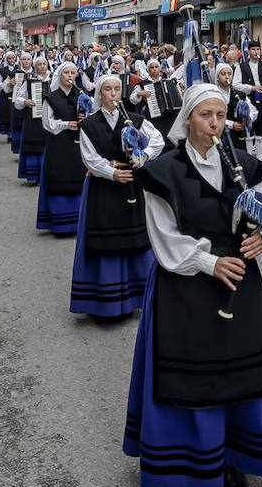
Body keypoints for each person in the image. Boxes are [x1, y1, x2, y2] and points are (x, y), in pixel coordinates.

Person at [125, 83, 262, 487]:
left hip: (241, 280)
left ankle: (232, 457)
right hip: (187, 286)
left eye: (220, 116)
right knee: (193, 381)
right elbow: (164, 238)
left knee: (239, 374)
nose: (214, 124)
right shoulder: (164, 170)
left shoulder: (243, 165)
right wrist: (210, 263)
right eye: (205, 116)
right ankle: (192, 468)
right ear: (188, 120)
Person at [71, 73, 164, 319]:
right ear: (100, 94)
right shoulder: (89, 124)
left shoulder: (133, 120)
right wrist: (112, 173)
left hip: (131, 184)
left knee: (136, 239)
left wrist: (143, 156)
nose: (113, 94)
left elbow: (158, 140)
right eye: (108, 90)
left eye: (117, 89)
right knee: (105, 239)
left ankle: (139, 295)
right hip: (104, 186)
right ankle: (105, 301)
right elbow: (89, 157)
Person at [38, 62, 88, 236]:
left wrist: (85, 119)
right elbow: (47, 123)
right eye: (66, 72)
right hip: (58, 143)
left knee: (78, 177)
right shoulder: (51, 97)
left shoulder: (82, 96)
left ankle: (79, 222)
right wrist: (67, 125)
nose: (69, 76)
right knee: (60, 176)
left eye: (73, 73)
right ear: (60, 76)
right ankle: (61, 224)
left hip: (78, 143)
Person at [232, 40, 262, 161]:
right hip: (249, 102)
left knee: (261, 134)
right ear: (248, 51)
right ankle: (250, 160)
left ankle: (259, 161)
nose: (256, 52)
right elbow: (235, 84)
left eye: (258, 49)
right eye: (253, 50)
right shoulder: (242, 66)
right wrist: (251, 88)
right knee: (249, 133)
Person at [15, 56, 52, 185]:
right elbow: (18, 99)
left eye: (44, 64)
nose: (42, 66)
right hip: (34, 117)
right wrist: (25, 101)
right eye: (39, 64)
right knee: (35, 145)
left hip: (51, 118)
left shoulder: (54, 80)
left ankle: (49, 174)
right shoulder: (30, 79)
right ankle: (35, 175)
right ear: (35, 67)